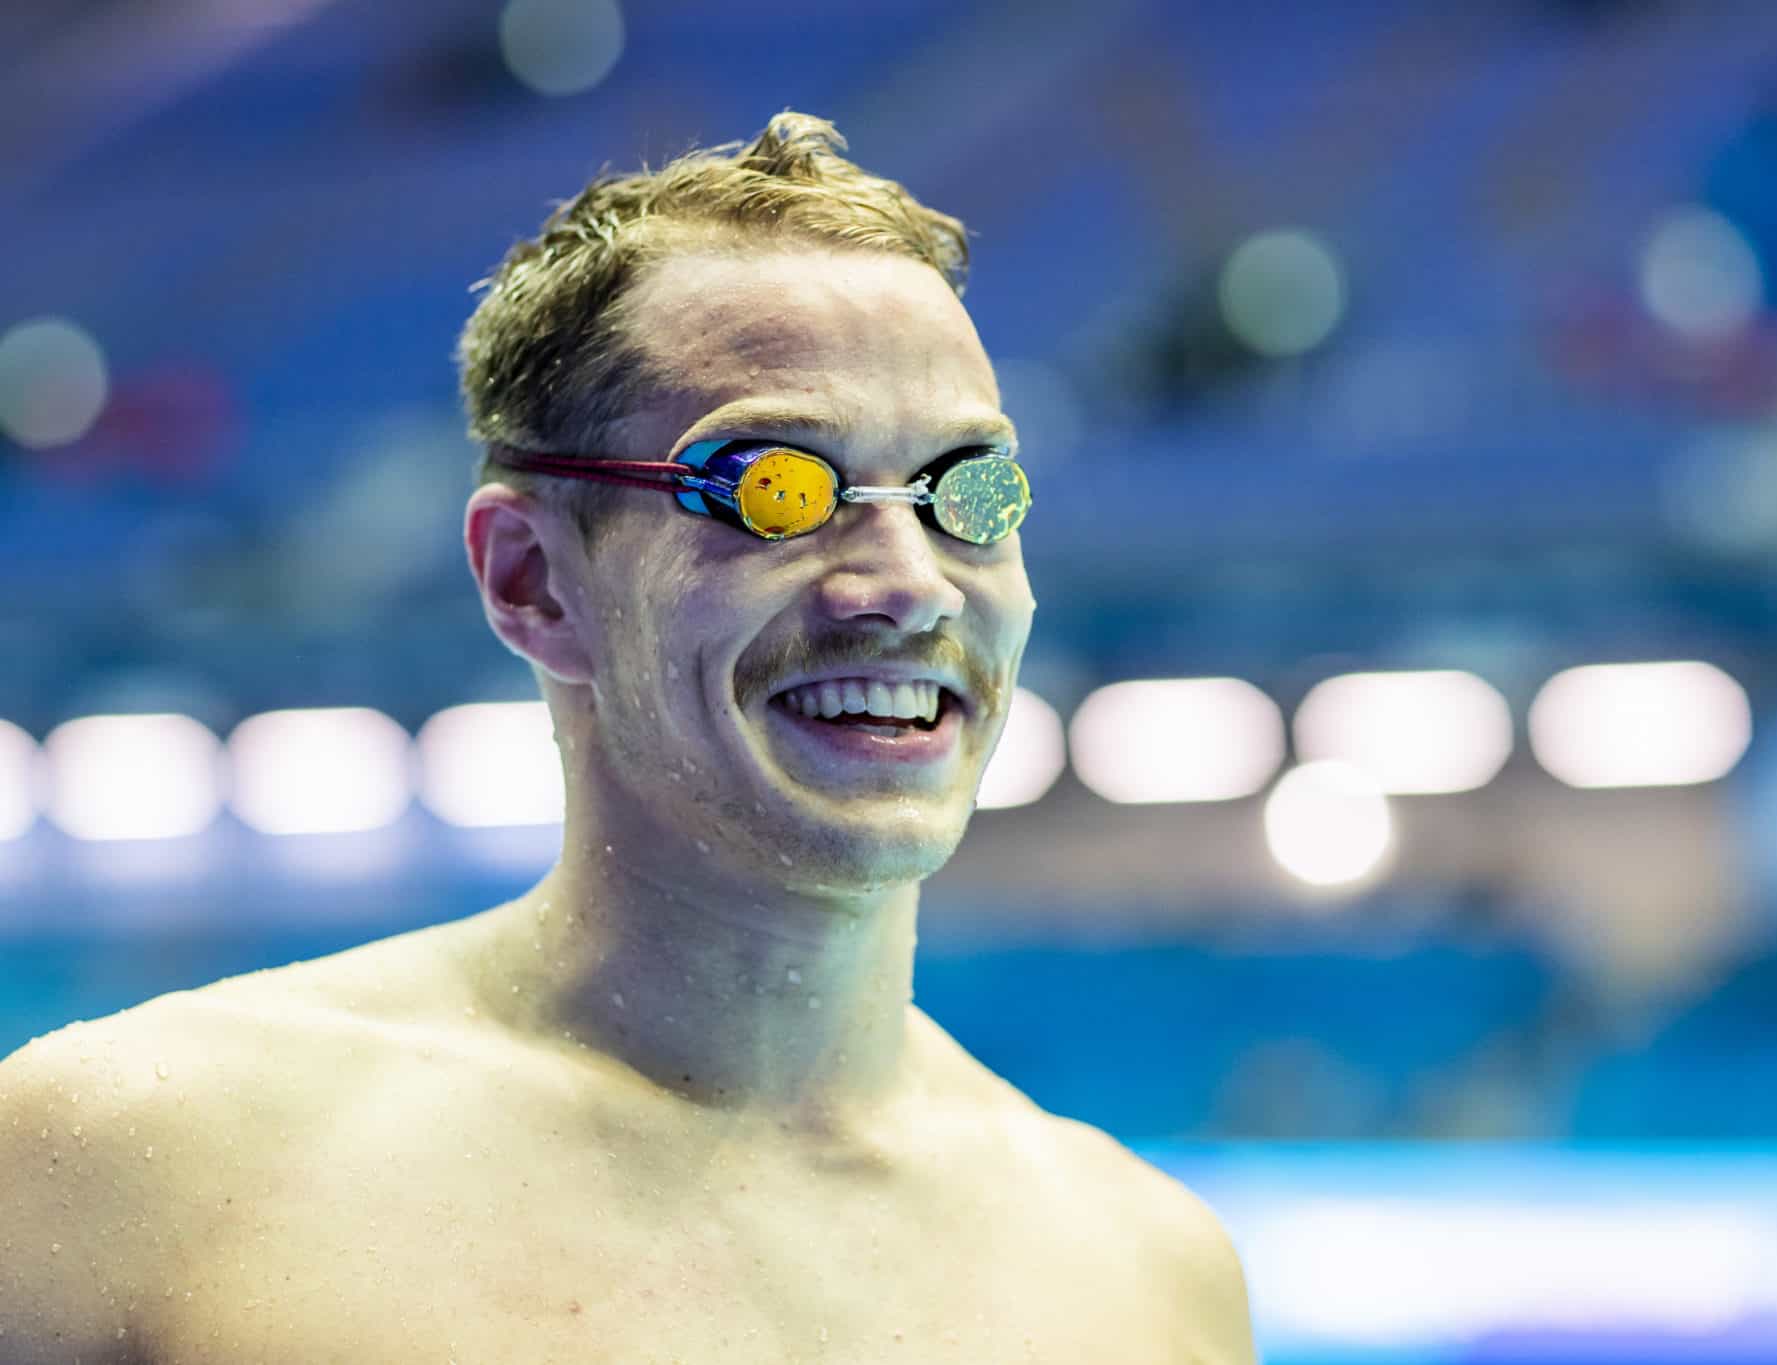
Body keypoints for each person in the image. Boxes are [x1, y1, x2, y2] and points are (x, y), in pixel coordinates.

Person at [0, 112, 1259, 1361]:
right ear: (532, 581)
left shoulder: (1145, 1276)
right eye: (776, 488)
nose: (909, 584)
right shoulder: (123, 1173)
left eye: (964, 492)